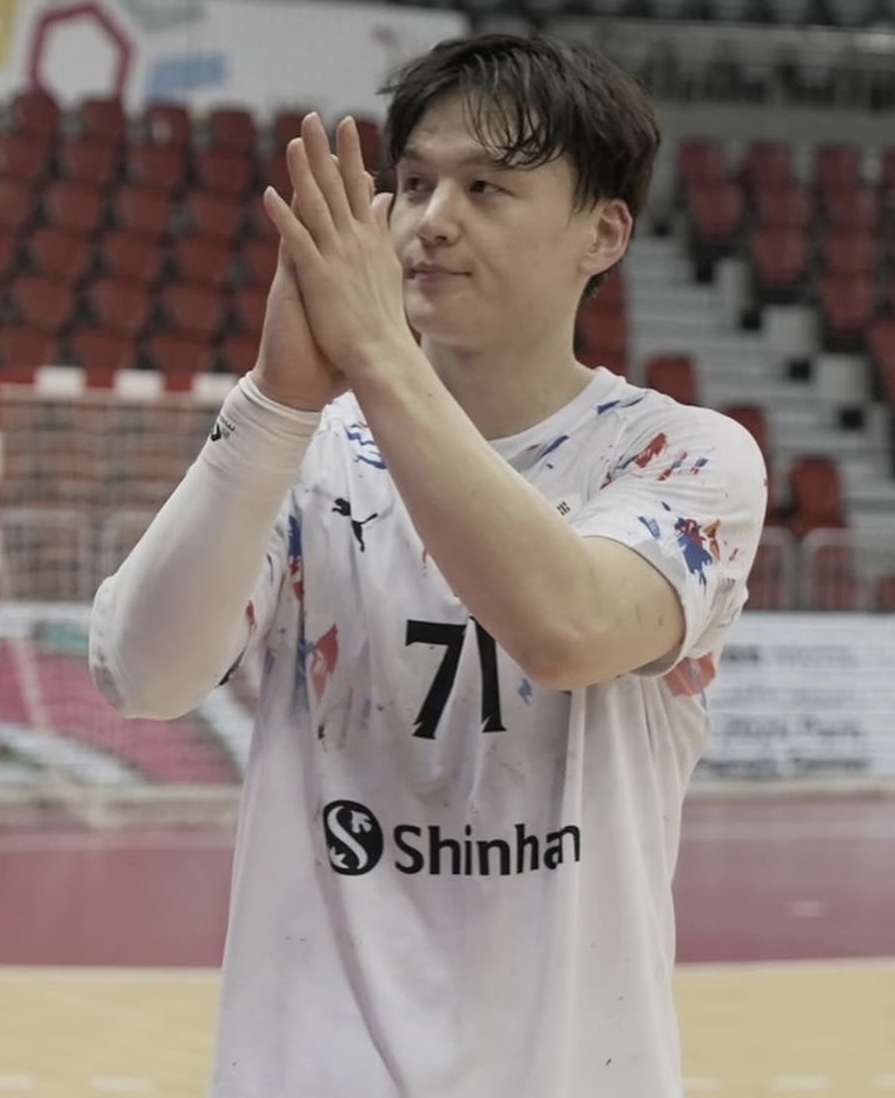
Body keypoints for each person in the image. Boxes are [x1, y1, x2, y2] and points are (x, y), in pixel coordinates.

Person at [89, 32, 766, 1098]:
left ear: (602, 233)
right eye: (412, 184)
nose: (432, 219)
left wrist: (374, 355)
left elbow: (569, 630)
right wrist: (274, 402)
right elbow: (141, 676)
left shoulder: (681, 456)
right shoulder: (306, 452)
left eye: (487, 187)